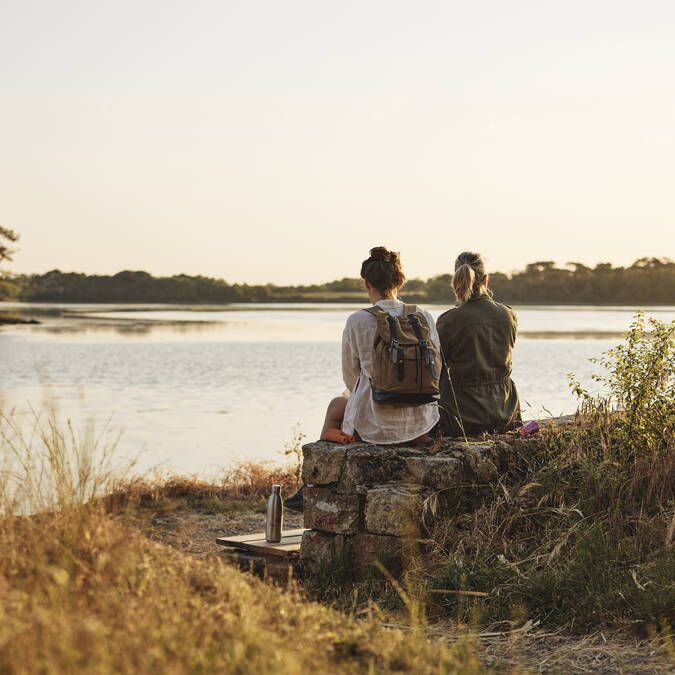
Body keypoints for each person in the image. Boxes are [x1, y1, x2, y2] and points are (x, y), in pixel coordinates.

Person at [284, 246, 440, 511]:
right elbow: (437, 366)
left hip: (373, 430)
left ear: (367, 284)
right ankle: (310, 485)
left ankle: (312, 485)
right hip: (420, 427)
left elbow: (350, 377)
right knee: (344, 404)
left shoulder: (358, 320)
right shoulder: (423, 316)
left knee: (337, 406)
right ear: (400, 281)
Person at [436, 251, 521, 437]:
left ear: (457, 279)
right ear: (485, 279)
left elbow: (436, 367)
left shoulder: (448, 320)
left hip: (461, 418)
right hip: (506, 413)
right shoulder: (508, 315)